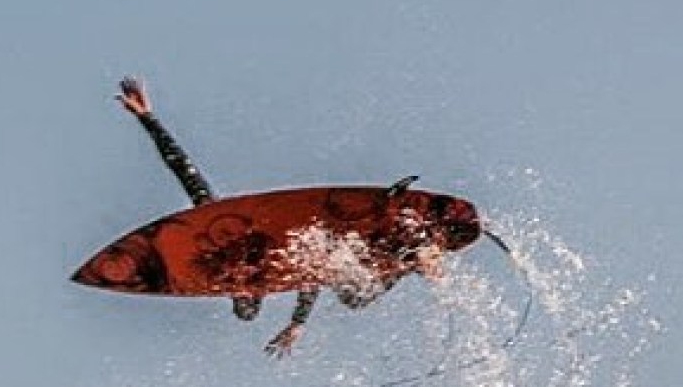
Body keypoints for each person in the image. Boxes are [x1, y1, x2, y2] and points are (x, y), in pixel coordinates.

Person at [116, 76, 480, 357]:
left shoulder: (228, 231)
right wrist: (295, 323)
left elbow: (186, 172)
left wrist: (149, 119)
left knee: (345, 287)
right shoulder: (264, 274)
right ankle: (409, 258)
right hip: (336, 256)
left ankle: (410, 253)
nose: (241, 285)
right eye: (242, 291)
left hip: (328, 241)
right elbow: (305, 275)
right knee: (349, 293)